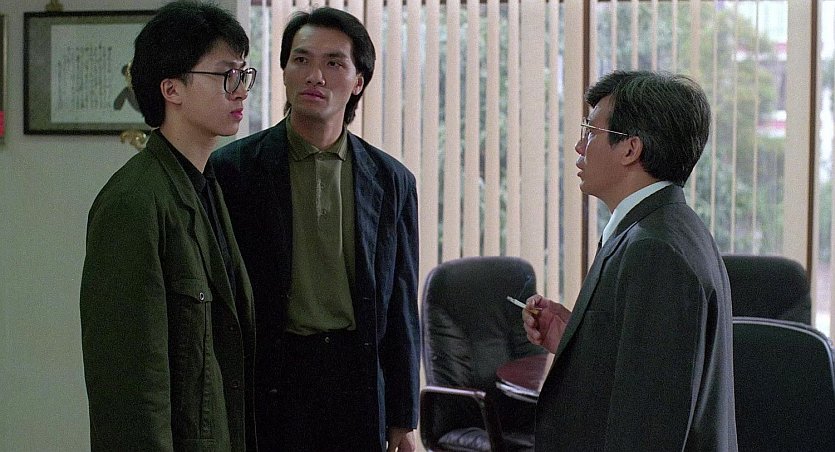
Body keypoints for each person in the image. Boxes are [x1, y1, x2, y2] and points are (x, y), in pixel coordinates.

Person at [210, 6, 419, 452]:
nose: (315, 76)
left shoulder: (392, 180)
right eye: (301, 60)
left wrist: (403, 419)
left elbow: (401, 305)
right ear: (284, 71)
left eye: (334, 63)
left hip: (356, 383)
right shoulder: (233, 170)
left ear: (358, 81)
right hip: (271, 381)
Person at [522, 71, 738, 451]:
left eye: (591, 131)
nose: (579, 146)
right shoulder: (667, 227)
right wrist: (578, 338)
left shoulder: (655, 251)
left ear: (630, 149)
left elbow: (649, 427)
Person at [80, 1, 257, 449]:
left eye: (244, 74)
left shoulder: (208, 185)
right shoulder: (133, 202)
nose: (241, 91)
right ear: (172, 89)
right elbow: (130, 390)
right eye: (226, 75)